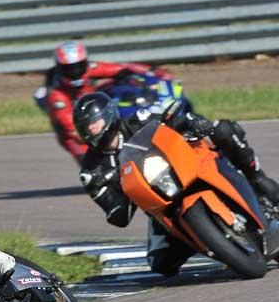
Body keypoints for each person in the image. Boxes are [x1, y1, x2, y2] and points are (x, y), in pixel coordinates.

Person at [73, 92, 279, 275]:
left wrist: (191, 122)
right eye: (85, 129)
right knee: (161, 264)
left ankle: (257, 178)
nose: (91, 131)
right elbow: (117, 215)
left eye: (93, 124)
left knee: (222, 129)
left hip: (184, 166)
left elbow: (169, 123)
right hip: (159, 204)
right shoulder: (92, 170)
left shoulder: (137, 120)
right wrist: (119, 188)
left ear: (108, 116)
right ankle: (207, 238)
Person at [34, 40, 170, 163]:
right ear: (60, 68)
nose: (75, 72)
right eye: (69, 69)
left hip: (95, 112)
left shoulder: (90, 69)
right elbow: (71, 127)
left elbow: (120, 69)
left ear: (85, 62)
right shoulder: (56, 96)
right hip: (75, 133)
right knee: (92, 161)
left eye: (78, 66)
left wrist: (143, 75)